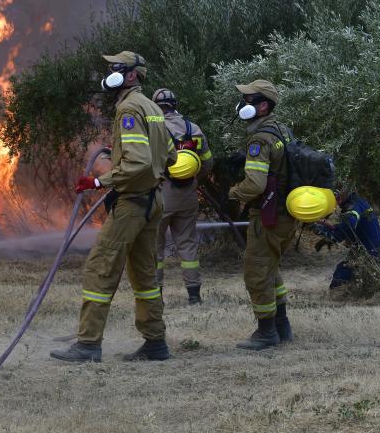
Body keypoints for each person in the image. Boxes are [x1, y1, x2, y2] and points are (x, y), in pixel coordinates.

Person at [50, 51, 176, 363]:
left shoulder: (129, 108)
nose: (110, 71)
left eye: (116, 67)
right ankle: (155, 343)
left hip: (132, 204)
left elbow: (138, 160)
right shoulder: (151, 107)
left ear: (132, 75)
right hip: (153, 201)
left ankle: (88, 345)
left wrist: (99, 182)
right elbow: (170, 156)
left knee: (99, 268)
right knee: (145, 276)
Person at [227, 79, 295, 350]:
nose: (243, 105)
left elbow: (255, 184)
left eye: (248, 100)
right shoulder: (281, 130)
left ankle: (266, 331)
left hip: (267, 216)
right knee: (271, 270)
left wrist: (233, 193)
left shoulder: (260, 138)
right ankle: (282, 326)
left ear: (263, 105)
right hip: (285, 214)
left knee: (256, 272)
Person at [151, 87, 214, 305]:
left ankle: (155, 298)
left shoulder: (154, 129)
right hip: (188, 195)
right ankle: (194, 296)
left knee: (154, 246)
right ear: (175, 105)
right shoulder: (193, 129)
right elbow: (207, 162)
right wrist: (194, 180)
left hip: (161, 194)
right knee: (187, 245)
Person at [313, 191, 380, 288]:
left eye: (337, 196)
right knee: (358, 278)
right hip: (374, 250)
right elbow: (350, 230)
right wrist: (330, 228)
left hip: (371, 253)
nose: (336, 200)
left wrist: (325, 231)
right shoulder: (359, 202)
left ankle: (336, 298)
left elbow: (349, 225)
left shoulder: (354, 207)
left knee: (343, 271)